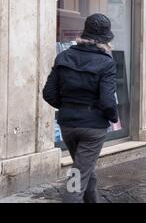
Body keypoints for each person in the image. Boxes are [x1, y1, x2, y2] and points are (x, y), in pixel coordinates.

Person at [43, 14, 118, 203]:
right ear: (106, 40)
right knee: (77, 178)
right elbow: (108, 101)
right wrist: (113, 117)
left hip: (68, 125)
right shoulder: (106, 62)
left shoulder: (63, 56)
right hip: (92, 128)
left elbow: (48, 93)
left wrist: (69, 107)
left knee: (84, 168)